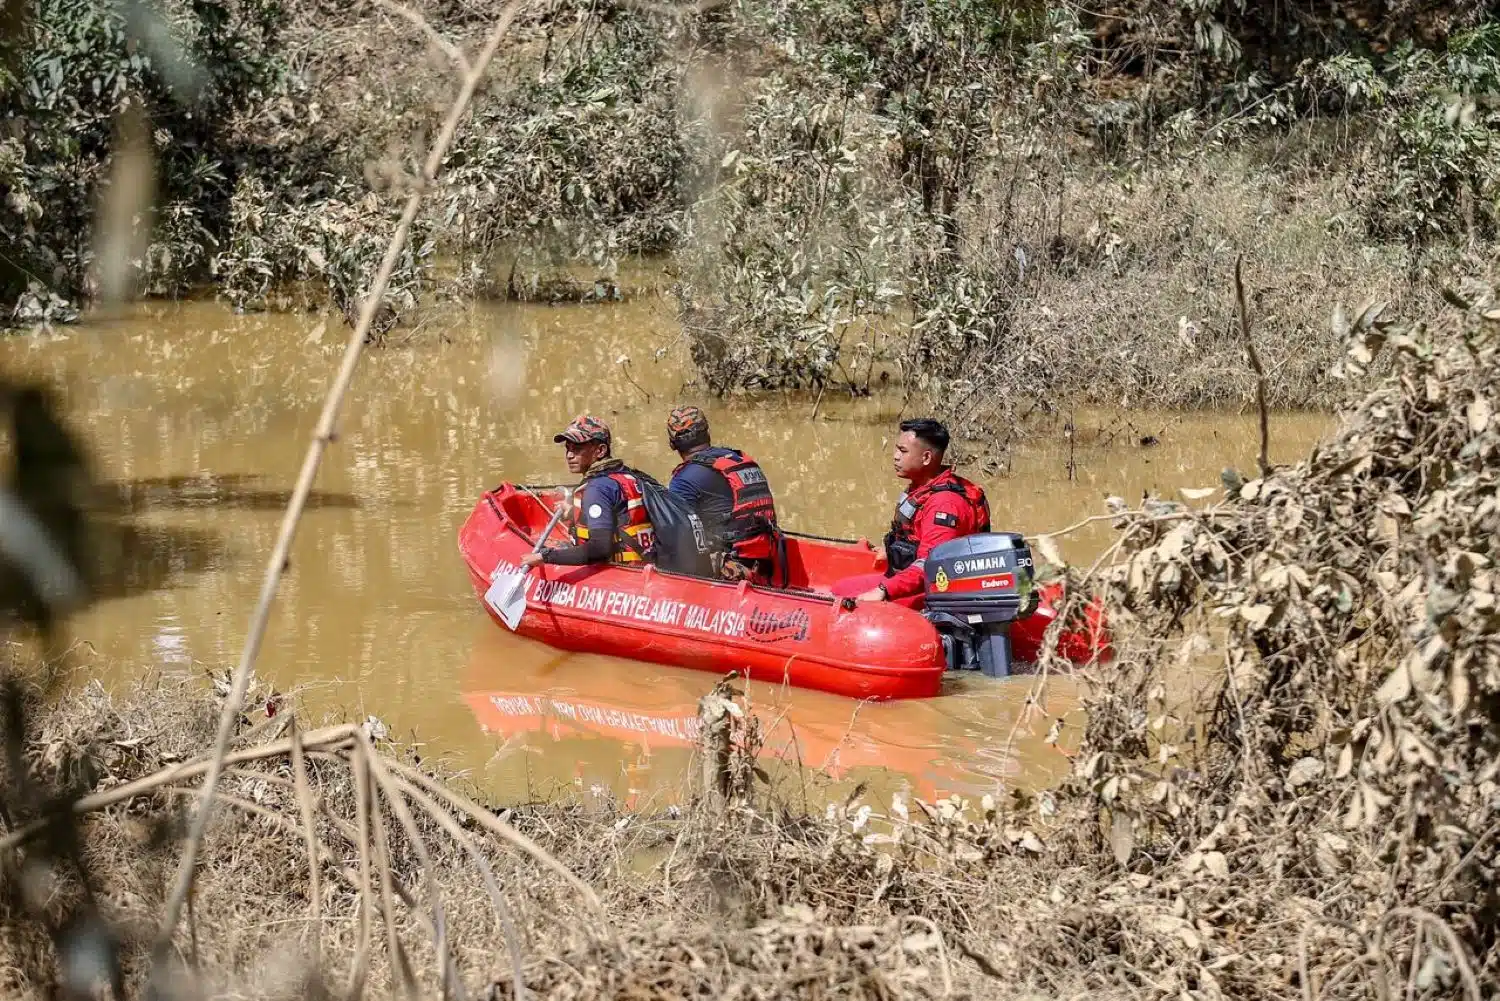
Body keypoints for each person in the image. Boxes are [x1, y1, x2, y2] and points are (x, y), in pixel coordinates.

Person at [833, 418, 990, 606]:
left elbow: (931, 566)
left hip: (936, 594)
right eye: (897, 449)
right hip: (915, 580)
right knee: (841, 588)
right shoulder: (923, 487)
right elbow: (915, 535)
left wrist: (883, 590)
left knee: (842, 595)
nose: (895, 456)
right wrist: (890, 550)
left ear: (926, 458)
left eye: (903, 451)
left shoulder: (945, 505)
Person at [665, 405, 781, 584]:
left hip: (731, 569)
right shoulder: (738, 459)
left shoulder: (684, 479)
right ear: (707, 434)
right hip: (768, 562)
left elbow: (675, 536)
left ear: (673, 444)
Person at [520, 415, 656, 568]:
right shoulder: (629, 475)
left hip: (621, 572)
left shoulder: (597, 488)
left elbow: (599, 549)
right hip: (645, 565)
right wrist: (574, 511)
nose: (569, 455)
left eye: (577, 449)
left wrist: (545, 557)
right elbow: (621, 514)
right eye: (568, 449)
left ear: (600, 451)